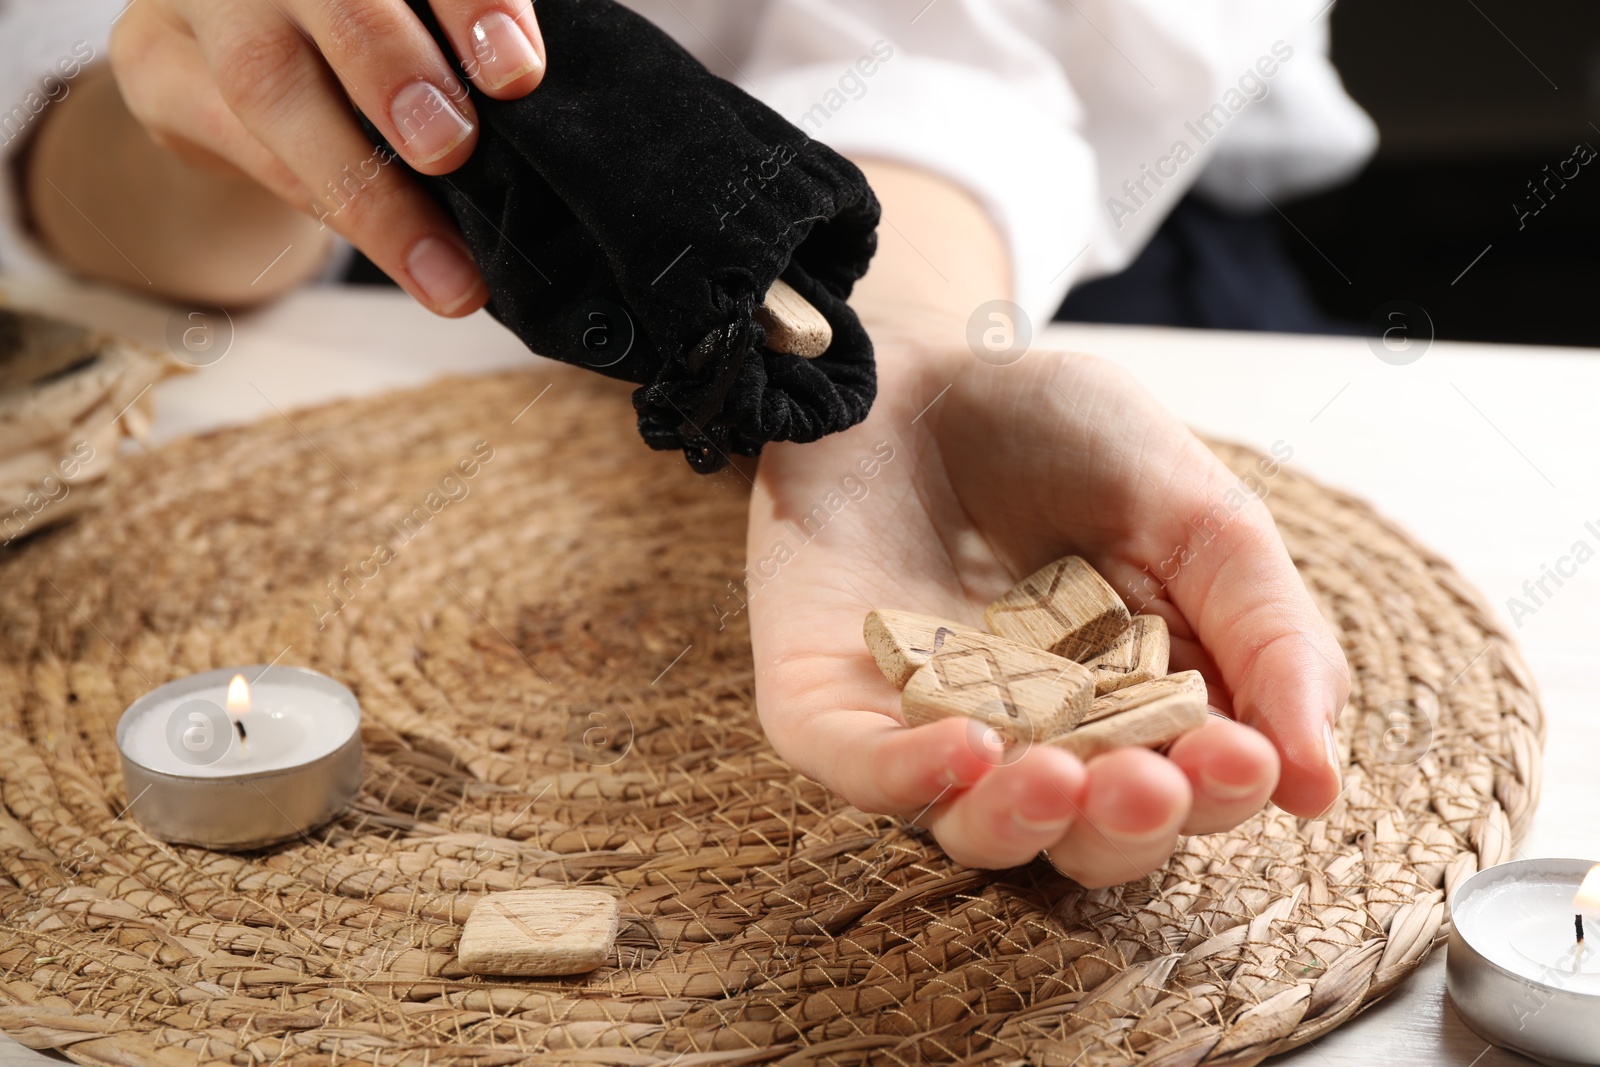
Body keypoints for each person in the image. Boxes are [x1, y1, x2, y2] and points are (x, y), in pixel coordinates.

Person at [4, 0, 1361, 887]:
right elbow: (121, 200)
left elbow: (982, 54)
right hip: (412, 291)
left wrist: (904, 363)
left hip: (1047, 245)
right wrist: (219, 104)